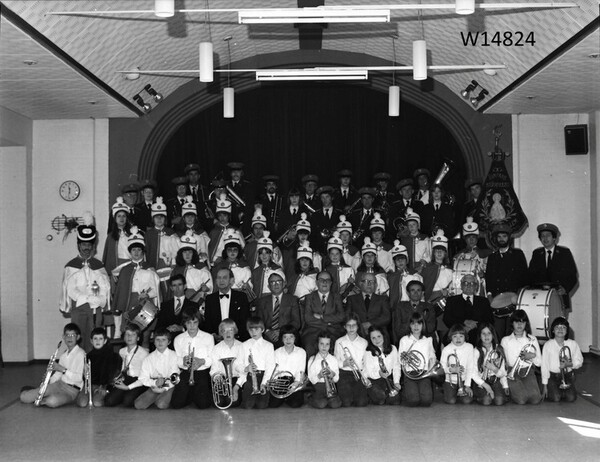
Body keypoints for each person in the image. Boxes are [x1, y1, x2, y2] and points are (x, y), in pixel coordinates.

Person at [60, 215, 111, 352]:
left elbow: (105, 286)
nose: (86, 247)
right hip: (79, 307)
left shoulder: (99, 265)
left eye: (89, 245)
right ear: (79, 245)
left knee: (96, 338)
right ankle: (80, 364)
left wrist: (99, 298)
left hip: (96, 307)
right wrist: (87, 298)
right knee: (79, 338)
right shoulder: (71, 266)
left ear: (93, 246)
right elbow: (70, 289)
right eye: (83, 244)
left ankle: (94, 363)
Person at [112, 227, 161, 345]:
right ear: (130, 251)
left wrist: (147, 295)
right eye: (134, 250)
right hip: (130, 302)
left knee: (145, 335)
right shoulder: (124, 270)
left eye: (139, 250)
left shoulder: (149, 269)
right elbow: (121, 292)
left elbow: (155, 289)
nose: (136, 252)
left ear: (143, 251)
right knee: (130, 334)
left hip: (146, 303)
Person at [20, 323, 86, 408]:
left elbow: (79, 378)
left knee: (52, 401)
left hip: (72, 391)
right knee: (24, 397)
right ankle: (36, 393)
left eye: (73, 335)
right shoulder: (63, 356)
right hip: (58, 385)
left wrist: (63, 370)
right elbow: (58, 374)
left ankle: (42, 396)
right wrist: (48, 380)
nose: (69, 338)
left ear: (78, 337)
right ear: (63, 337)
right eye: (67, 335)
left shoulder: (81, 354)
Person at [485, 223, 529, 337]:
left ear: (509, 238)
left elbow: (525, 277)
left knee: (513, 334)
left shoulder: (518, 254)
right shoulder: (492, 257)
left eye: (504, 236)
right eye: (499, 237)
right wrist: (489, 296)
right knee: (498, 334)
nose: (501, 239)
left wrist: (518, 296)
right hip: (497, 302)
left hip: (513, 302)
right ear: (495, 239)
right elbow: (488, 278)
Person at [170, 308, 214, 409]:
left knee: (203, 405)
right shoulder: (178, 339)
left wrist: (201, 361)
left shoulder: (208, 337)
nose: (192, 326)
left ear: (199, 322)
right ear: (184, 323)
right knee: (176, 404)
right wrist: (183, 361)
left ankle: (193, 393)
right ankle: (191, 394)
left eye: (195, 322)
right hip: (186, 371)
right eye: (189, 323)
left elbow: (211, 359)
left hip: (202, 371)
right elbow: (177, 359)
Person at [528, 223, 578, 311]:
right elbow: (530, 276)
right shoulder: (536, 254)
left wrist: (565, 289)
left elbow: (573, 276)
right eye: (542, 236)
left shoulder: (564, 253)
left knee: (558, 320)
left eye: (548, 235)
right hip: (540, 299)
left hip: (560, 298)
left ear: (554, 237)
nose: (545, 238)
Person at [500, 310, 542, 405]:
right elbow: (503, 364)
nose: (519, 324)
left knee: (536, 399)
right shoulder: (505, 340)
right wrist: (505, 384)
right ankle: (515, 390)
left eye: (522, 322)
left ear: (526, 323)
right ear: (512, 323)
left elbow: (539, 363)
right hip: (512, 372)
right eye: (516, 322)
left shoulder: (532, 339)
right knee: (521, 400)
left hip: (528, 371)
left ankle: (521, 389)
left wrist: (532, 356)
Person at [301, 271, 345, 358]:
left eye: (327, 280)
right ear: (317, 282)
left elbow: (341, 316)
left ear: (331, 283)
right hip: (313, 331)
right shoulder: (309, 297)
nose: (325, 282)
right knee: (309, 346)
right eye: (321, 280)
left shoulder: (337, 297)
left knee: (337, 346)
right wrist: (329, 322)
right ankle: (311, 366)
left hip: (333, 331)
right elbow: (308, 318)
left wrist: (322, 317)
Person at [105, 323, 150, 407]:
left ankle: (134, 394)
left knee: (127, 401)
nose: (129, 337)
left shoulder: (144, 353)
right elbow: (122, 369)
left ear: (138, 338)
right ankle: (124, 394)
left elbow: (145, 378)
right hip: (126, 378)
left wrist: (127, 387)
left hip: (140, 381)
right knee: (109, 401)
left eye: (133, 335)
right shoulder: (122, 351)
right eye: (127, 334)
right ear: (124, 337)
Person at [235, 317, 276, 409]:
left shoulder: (269, 345)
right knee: (248, 406)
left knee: (262, 406)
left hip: (263, 376)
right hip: (249, 377)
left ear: (262, 329)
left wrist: (264, 383)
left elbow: (270, 366)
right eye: (251, 330)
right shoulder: (243, 345)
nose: (253, 332)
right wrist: (246, 368)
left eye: (256, 329)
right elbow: (237, 364)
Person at [134, 329, 180, 410]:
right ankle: (157, 397)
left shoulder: (174, 355)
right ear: (154, 342)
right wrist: (155, 383)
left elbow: (175, 377)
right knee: (138, 405)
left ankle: (162, 397)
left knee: (161, 404)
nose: (160, 342)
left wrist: (164, 387)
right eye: (157, 339)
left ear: (169, 342)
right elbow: (143, 378)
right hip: (154, 385)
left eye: (163, 340)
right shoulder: (148, 358)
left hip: (169, 384)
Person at [398, 313, 437, 407]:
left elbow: (432, 356)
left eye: (419, 323)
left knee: (427, 401)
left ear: (423, 325)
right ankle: (406, 391)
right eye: (413, 323)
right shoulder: (404, 340)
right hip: (409, 373)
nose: (416, 326)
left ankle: (414, 391)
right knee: (413, 401)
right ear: (409, 325)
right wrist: (404, 359)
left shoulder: (428, 340)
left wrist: (431, 366)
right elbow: (400, 360)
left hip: (424, 373)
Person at [443, 274, 494, 345]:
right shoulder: (452, 300)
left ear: (476, 286)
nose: (469, 286)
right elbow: (447, 319)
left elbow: (490, 319)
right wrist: (464, 323)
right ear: (461, 286)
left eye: (472, 283)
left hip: (479, 335)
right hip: (457, 334)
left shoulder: (483, 301)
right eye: (466, 283)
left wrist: (475, 325)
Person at [76, 327, 121, 408]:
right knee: (82, 403)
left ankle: (97, 396)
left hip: (103, 385)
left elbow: (112, 375)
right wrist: (84, 374)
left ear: (105, 341)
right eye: (95, 339)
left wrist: (105, 387)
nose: (97, 341)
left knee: (97, 403)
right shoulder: (88, 356)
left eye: (100, 339)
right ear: (91, 341)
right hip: (90, 385)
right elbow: (85, 377)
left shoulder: (112, 356)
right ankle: (90, 395)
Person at [541, 317, 583, 403]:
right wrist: (544, 385)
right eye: (557, 327)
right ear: (553, 330)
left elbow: (579, 361)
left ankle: (561, 391)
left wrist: (569, 364)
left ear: (567, 331)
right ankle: (556, 390)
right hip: (552, 376)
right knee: (556, 398)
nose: (560, 329)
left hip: (567, 376)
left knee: (571, 398)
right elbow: (544, 365)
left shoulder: (573, 344)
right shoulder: (548, 345)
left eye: (563, 327)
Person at [203, 268, 251, 341]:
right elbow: (208, 321)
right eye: (219, 278)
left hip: (237, 340)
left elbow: (245, 320)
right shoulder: (210, 299)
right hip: (216, 341)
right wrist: (214, 335)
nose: (221, 280)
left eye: (224, 277)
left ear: (231, 280)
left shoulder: (241, 297)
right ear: (216, 281)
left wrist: (235, 335)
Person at [334, 313, 370, 407]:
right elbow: (335, 361)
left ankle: (357, 394)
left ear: (358, 326)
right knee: (346, 403)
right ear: (344, 327)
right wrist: (343, 363)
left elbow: (366, 363)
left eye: (354, 325)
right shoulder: (339, 342)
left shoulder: (364, 342)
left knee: (361, 403)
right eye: (348, 325)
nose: (351, 328)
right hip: (344, 374)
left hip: (359, 373)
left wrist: (365, 376)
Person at [144, 197, 179, 294]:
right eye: (156, 217)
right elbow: (145, 252)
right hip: (153, 266)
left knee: (168, 291)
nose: (159, 219)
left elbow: (176, 250)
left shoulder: (171, 232)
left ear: (165, 219)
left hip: (168, 266)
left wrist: (173, 264)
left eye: (162, 217)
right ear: (153, 219)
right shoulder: (149, 234)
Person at [255, 273, 301, 344]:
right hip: (267, 336)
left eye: (279, 282)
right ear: (268, 286)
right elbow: (259, 321)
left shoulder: (293, 300)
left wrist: (281, 331)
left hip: (287, 334)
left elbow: (296, 322)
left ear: (283, 284)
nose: (276, 284)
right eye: (272, 282)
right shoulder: (262, 301)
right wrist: (267, 332)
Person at [269, 325, 307, 408]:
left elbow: (300, 371)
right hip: (280, 381)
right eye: (285, 337)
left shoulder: (301, 352)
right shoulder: (276, 352)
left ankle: (287, 397)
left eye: (291, 337)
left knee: (295, 404)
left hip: (294, 380)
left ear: (295, 338)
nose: (288, 340)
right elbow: (274, 371)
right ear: (281, 339)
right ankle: (286, 397)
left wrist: (295, 384)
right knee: (272, 404)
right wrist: (274, 383)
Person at [210, 319, 245, 408]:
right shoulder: (216, 348)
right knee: (220, 403)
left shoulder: (242, 346)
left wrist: (236, 387)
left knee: (233, 402)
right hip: (222, 379)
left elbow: (244, 370)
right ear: (221, 333)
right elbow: (214, 369)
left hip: (236, 379)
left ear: (235, 331)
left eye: (231, 330)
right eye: (224, 331)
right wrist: (218, 379)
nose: (228, 333)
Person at [471, 323, 509, 406]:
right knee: (486, 401)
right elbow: (473, 374)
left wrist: (505, 385)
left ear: (493, 335)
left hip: (495, 380)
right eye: (483, 333)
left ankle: (494, 394)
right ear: (480, 336)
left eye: (489, 333)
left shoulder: (499, 349)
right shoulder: (476, 351)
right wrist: (487, 386)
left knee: (499, 401)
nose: (486, 336)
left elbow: (503, 372)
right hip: (481, 382)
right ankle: (477, 395)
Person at [451, 217, 489, 297]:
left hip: (479, 290)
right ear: (465, 239)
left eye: (473, 237)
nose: (471, 240)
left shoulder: (485, 255)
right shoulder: (458, 256)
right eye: (469, 237)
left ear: (477, 239)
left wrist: (483, 275)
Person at [363, 326, 401, 405]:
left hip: (387, 379)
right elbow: (369, 372)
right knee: (380, 398)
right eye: (373, 338)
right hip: (374, 380)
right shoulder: (368, 352)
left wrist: (396, 382)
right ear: (370, 339)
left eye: (379, 336)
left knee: (395, 401)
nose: (377, 340)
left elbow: (396, 366)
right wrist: (379, 373)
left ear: (384, 335)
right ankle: (372, 393)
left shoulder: (393, 348)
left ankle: (385, 394)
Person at [345, 272, 391, 337]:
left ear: (376, 285)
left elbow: (386, 317)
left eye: (372, 281)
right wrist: (360, 326)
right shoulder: (351, 299)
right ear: (360, 283)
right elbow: (348, 317)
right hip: (358, 333)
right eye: (366, 281)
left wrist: (369, 324)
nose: (369, 284)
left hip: (378, 334)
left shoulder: (383, 299)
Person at [171, 233, 212, 304]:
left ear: (194, 254)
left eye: (190, 252)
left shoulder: (202, 268)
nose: (187, 255)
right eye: (184, 252)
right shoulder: (176, 270)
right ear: (181, 254)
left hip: (200, 300)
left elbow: (210, 286)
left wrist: (206, 288)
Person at [155, 274, 200, 339]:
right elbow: (159, 327)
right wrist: (167, 329)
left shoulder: (193, 305)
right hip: (168, 340)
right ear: (171, 288)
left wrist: (182, 328)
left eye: (180, 285)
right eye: (174, 285)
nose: (177, 288)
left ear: (185, 286)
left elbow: (198, 326)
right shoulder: (165, 305)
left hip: (187, 339)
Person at [392, 280, 436, 346]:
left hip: (425, 341)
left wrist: (410, 326)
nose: (416, 293)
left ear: (422, 293)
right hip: (406, 341)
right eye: (412, 290)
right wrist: (420, 324)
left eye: (418, 290)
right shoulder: (400, 307)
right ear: (408, 293)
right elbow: (398, 329)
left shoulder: (428, 307)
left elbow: (431, 327)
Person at [440, 323, 474, 404]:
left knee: (467, 400)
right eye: (455, 336)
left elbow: (470, 367)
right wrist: (452, 370)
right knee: (451, 401)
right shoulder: (446, 349)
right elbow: (441, 368)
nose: (458, 339)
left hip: (464, 380)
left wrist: (467, 385)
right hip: (449, 380)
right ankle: (448, 390)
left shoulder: (469, 347)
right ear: (450, 337)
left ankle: (458, 392)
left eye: (461, 336)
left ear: (465, 336)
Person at [307, 332, 342, 409]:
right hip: (318, 387)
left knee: (336, 404)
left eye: (327, 344)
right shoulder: (312, 359)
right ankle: (310, 398)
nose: (324, 347)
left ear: (330, 345)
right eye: (321, 344)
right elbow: (311, 380)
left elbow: (336, 379)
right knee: (321, 404)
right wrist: (319, 375)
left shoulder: (333, 359)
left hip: (331, 387)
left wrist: (332, 374)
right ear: (317, 344)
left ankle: (327, 399)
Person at [207, 195, 245, 265]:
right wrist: (214, 259)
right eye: (220, 215)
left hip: (233, 261)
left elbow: (243, 247)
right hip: (217, 262)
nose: (222, 218)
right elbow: (210, 249)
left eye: (224, 215)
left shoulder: (236, 231)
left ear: (229, 216)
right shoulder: (213, 231)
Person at [103, 197, 132, 281]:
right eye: (119, 216)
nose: (121, 218)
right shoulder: (111, 236)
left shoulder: (132, 234)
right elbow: (108, 256)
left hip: (130, 265)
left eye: (124, 216)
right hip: (117, 266)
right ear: (115, 218)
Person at [387, 241, 423, 309]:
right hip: (397, 308)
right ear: (394, 262)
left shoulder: (415, 276)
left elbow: (421, 294)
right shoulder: (391, 277)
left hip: (412, 307)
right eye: (397, 260)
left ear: (407, 260)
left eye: (402, 259)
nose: (400, 262)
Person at [250, 232, 286, 299]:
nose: (264, 256)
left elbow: (284, 288)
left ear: (270, 254)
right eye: (261, 253)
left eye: (266, 253)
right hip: (260, 300)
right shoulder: (255, 272)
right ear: (258, 255)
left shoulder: (278, 270)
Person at [323, 231, 357, 301]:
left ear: (341, 254)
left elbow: (352, 286)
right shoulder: (326, 270)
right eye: (332, 254)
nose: (334, 256)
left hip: (346, 300)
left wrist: (351, 282)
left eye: (337, 254)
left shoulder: (349, 269)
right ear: (329, 255)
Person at [311, 185, 342, 253]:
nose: (325, 200)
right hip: (319, 251)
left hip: (335, 250)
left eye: (327, 197)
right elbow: (313, 235)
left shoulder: (340, 214)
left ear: (332, 198)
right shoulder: (315, 215)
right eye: (322, 197)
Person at [399, 208, 430, 273]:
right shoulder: (404, 239)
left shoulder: (424, 238)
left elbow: (429, 253)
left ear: (418, 225)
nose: (411, 227)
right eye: (409, 225)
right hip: (408, 269)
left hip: (422, 268)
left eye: (413, 224)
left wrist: (422, 264)